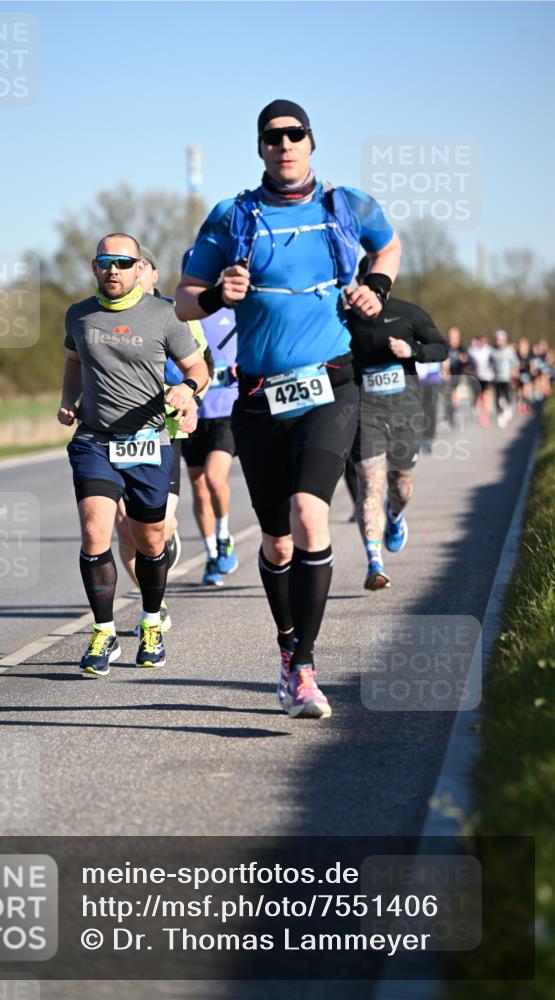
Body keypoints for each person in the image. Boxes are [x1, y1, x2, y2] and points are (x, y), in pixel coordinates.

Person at [175, 99, 400, 719]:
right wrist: (220, 292)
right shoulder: (233, 216)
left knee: (310, 514)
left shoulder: (345, 206)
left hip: (331, 384)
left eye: (294, 134)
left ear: (311, 141)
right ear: (260, 147)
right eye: (273, 137)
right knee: (276, 543)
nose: (284, 144)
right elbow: (184, 302)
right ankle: (285, 648)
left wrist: (375, 288)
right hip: (257, 396)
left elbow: (389, 246)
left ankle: (305, 668)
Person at [59, 233, 208, 674]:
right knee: (94, 532)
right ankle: (104, 633)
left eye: (124, 262)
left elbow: (197, 368)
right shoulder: (79, 315)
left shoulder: (164, 315)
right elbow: (73, 361)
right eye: (107, 262)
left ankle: (150, 621)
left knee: (151, 540)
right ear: (94, 266)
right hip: (95, 439)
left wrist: (186, 388)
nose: (115, 270)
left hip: (148, 440)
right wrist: (68, 399)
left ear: (139, 267)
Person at [114, 246, 211, 630]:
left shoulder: (177, 313)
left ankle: (164, 542)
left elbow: (202, 367)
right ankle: (154, 603)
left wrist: (192, 401)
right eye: (122, 267)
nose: (129, 274)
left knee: (158, 527)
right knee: (124, 527)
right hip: (115, 432)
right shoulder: (105, 315)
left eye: (138, 267)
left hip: (163, 431)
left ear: (152, 274)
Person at [348, 256, 447, 590]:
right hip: (366, 413)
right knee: (370, 485)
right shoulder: (344, 319)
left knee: (401, 486)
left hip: (405, 411)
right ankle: (374, 562)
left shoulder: (409, 314)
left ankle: (395, 515)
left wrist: (412, 350)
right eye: (362, 283)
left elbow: (441, 348)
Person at [180, 249, 240, 586]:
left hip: (227, 410)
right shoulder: (181, 315)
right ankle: (210, 556)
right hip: (191, 413)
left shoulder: (234, 310)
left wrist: (241, 364)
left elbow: (254, 344)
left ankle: (224, 535)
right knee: (200, 491)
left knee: (216, 480)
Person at [490, 329, 518, 428]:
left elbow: (515, 362)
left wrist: (514, 371)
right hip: (497, 378)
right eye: (497, 340)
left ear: (504, 340)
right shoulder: (493, 351)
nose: (499, 342)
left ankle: (507, 410)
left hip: (507, 378)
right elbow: (490, 363)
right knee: (497, 397)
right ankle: (499, 415)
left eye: (501, 340)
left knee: (506, 396)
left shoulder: (509, 350)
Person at [467, 334, 494, 427]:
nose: (482, 343)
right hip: (477, 376)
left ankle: (485, 416)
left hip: (487, 377)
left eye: (484, 341)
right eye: (480, 341)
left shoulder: (489, 350)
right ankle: (479, 410)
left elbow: (494, 361)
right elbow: (470, 362)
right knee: (479, 396)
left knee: (485, 396)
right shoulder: (474, 350)